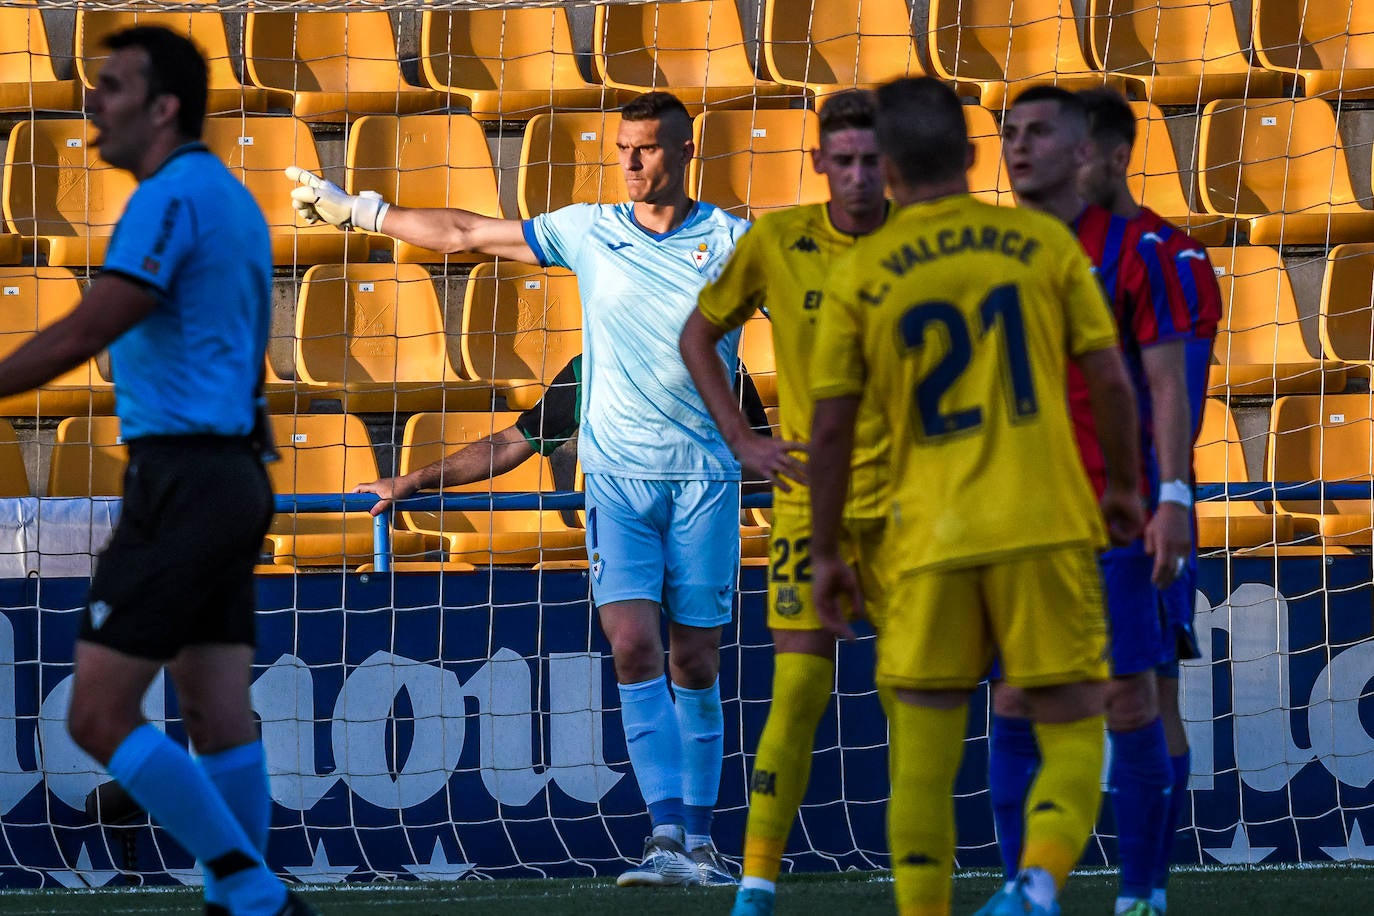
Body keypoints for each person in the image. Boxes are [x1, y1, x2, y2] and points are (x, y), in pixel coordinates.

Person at [290, 91, 749, 888]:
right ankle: (666, 837)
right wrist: (361, 211)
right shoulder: (589, 231)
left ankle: (704, 844)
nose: (630, 163)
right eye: (621, 148)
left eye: (645, 148)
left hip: (705, 483)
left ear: (683, 151)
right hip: (618, 484)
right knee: (633, 646)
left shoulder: (737, 243)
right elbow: (466, 233)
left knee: (697, 661)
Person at [808, 76, 1144, 916]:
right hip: (1044, 523)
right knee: (1076, 726)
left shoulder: (861, 274)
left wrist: (826, 550)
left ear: (886, 167)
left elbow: (831, 432)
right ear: (969, 154)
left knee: (922, 760)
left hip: (927, 539)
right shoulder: (1040, 243)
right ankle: (1036, 883)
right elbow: (1109, 380)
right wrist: (1125, 487)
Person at [0, 26, 306, 916]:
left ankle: (252, 894)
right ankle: (241, 903)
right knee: (215, 710)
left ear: (164, 107)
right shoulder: (225, 196)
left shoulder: (172, 196)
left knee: (97, 716)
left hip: (185, 481)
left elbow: (93, 323)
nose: (92, 101)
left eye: (112, 86)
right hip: (230, 474)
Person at [983, 85, 1198, 916]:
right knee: (1012, 695)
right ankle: (1025, 891)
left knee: (1129, 696)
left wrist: (1170, 495)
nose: (1020, 147)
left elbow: (1168, 385)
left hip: (1113, 513)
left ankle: (1141, 895)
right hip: (1017, 515)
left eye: (1039, 132)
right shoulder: (993, 254)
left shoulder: (1145, 252)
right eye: (1010, 132)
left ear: (1086, 150)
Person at [678, 89, 893, 916]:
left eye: (871, 161)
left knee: (917, 694)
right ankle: (757, 883)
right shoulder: (778, 241)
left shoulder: (925, 244)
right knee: (798, 691)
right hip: (809, 504)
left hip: (911, 506)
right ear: (819, 163)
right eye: (844, 161)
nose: (859, 176)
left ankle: (928, 886)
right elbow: (699, 334)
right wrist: (742, 439)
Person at [1077, 86, 1222, 915]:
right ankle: (1039, 878)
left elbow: (1180, 397)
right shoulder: (1045, 251)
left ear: (1113, 154)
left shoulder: (1175, 256)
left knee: (1147, 692)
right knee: (1031, 695)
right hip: (1056, 508)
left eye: (1075, 150)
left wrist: (1164, 494)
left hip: (1138, 509)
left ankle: (1147, 889)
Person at [354, 355, 771, 517]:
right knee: (632, 652)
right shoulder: (590, 371)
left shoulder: (726, 368)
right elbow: (511, 443)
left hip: (703, 542)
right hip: (624, 542)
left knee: (699, 661)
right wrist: (415, 479)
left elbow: (761, 476)